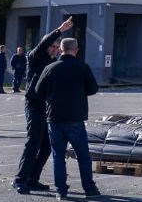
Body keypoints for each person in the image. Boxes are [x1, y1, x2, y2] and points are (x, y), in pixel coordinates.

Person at [35, 37, 100, 200]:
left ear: (60, 50)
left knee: (58, 156)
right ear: (76, 50)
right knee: (83, 155)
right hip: (75, 117)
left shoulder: (50, 68)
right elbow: (93, 89)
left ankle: (61, 190)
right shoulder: (82, 67)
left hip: (54, 117)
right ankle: (89, 188)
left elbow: (38, 91)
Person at [12, 18, 72, 195]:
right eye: (51, 46)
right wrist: (60, 30)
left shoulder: (55, 63)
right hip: (34, 105)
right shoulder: (35, 57)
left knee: (46, 145)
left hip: (47, 107)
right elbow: (43, 44)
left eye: (56, 47)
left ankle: (32, 178)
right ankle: (20, 179)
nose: (54, 49)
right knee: (34, 141)